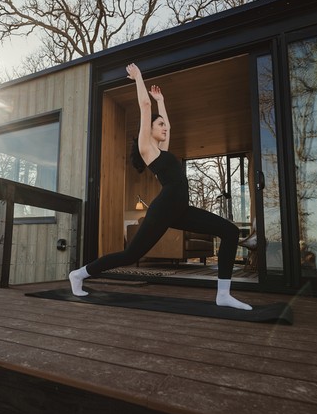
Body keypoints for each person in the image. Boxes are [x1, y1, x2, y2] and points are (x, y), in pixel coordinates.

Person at [69, 63, 252, 310]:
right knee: (130, 255)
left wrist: (161, 101)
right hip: (164, 208)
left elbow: (169, 124)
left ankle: (223, 294)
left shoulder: (163, 151)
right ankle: (79, 274)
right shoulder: (147, 147)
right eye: (160, 125)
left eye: (164, 126)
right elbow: (144, 107)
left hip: (181, 209)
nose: (165, 128)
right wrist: (139, 78)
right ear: (149, 130)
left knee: (229, 231)